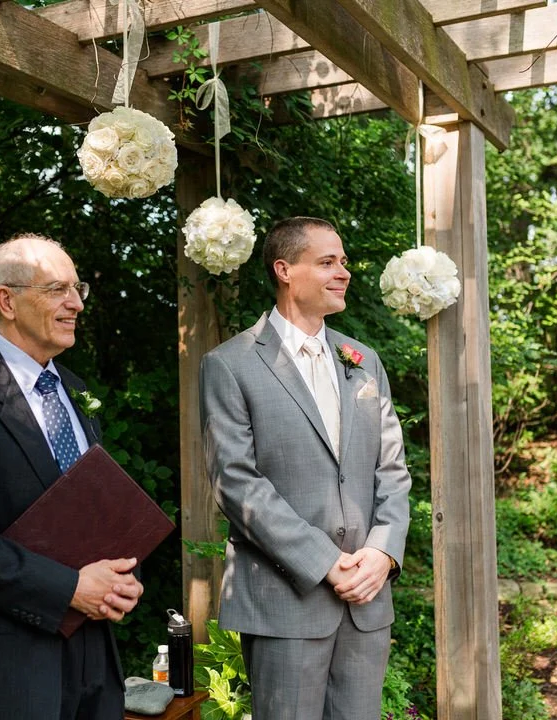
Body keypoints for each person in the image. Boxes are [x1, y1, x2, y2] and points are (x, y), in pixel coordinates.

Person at [0, 234, 143, 720]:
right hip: (7, 665)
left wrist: (123, 577)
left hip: (93, 658)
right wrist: (68, 588)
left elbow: (92, 511)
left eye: (77, 289)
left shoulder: (74, 391)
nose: (76, 303)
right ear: (7, 300)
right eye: (58, 289)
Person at [200, 217, 413, 720]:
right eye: (327, 262)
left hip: (367, 600)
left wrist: (382, 555)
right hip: (285, 602)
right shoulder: (230, 365)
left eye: (343, 262)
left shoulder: (363, 361)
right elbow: (235, 481)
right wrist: (325, 560)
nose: (343, 272)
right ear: (285, 270)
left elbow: (392, 470)